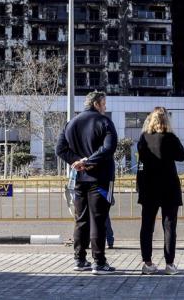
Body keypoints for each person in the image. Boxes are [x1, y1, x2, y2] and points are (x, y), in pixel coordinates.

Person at [56, 91, 117, 275]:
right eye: (104, 104)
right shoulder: (104, 122)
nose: (105, 107)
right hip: (101, 179)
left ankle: (80, 259)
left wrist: (76, 161)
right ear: (96, 104)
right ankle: (99, 262)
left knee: (81, 219)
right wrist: (89, 161)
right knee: (98, 220)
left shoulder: (71, 123)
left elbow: (60, 149)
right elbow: (109, 147)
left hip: (79, 179)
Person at [136, 107, 184, 275]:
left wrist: (139, 186)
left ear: (151, 120)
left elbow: (141, 163)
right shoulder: (171, 138)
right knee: (169, 226)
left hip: (149, 187)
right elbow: (182, 156)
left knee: (147, 226)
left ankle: (147, 263)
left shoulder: (144, 138)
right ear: (166, 121)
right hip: (169, 187)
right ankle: (170, 265)